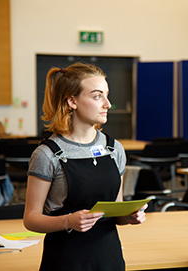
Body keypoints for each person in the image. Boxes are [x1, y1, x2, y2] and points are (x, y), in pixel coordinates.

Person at [23, 62, 147, 271]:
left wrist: (129, 216)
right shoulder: (48, 153)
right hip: (66, 260)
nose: (107, 104)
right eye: (97, 96)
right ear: (72, 101)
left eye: (107, 95)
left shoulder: (114, 148)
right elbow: (31, 219)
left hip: (110, 259)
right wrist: (68, 221)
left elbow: (116, 211)